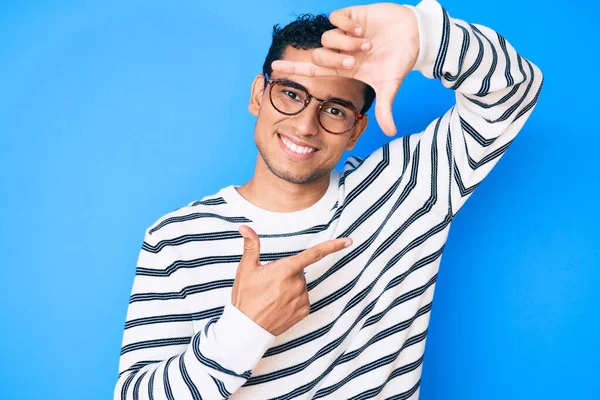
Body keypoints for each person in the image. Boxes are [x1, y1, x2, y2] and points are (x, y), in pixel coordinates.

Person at [114, 0, 543, 398]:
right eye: (291, 94)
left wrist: (425, 38)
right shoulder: (176, 237)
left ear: (357, 130)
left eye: (335, 109)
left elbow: (515, 91)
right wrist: (243, 331)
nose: (305, 125)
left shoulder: (407, 190)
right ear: (258, 95)